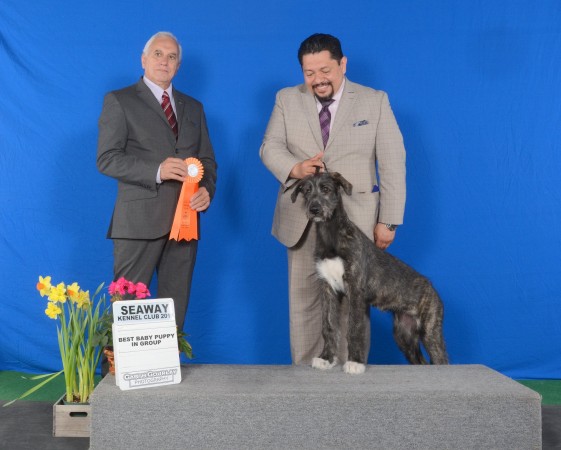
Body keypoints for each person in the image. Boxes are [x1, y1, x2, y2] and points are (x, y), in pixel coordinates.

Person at [260, 33, 406, 365]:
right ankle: (307, 382)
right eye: (309, 73)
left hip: (356, 222)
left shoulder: (374, 101)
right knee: (304, 303)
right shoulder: (286, 98)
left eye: (324, 70)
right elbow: (269, 147)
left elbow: (393, 162)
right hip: (302, 218)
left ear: (343, 64)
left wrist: (389, 220)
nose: (317, 80)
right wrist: (295, 168)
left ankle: (348, 383)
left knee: (353, 301)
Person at [97, 31, 217, 331]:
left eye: (172, 56)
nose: (165, 61)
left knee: (175, 309)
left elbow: (207, 161)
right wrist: (157, 170)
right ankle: (114, 376)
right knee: (127, 307)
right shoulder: (119, 100)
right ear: (144, 59)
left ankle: (165, 370)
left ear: (178, 65)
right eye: (158, 54)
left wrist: (207, 189)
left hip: (185, 224)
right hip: (137, 223)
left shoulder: (194, 107)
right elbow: (107, 158)